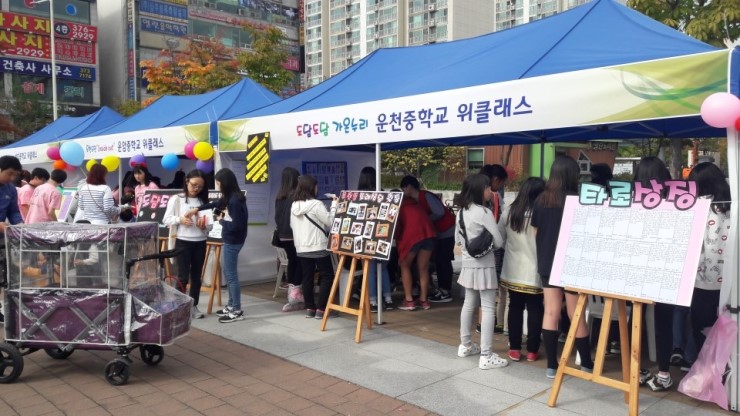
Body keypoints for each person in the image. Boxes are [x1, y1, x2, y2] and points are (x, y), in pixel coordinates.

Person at [532, 155, 593, 379]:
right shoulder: (578, 200)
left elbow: (535, 232)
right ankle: (586, 363)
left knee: (551, 311)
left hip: (547, 262)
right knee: (576, 313)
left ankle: (551, 365)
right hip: (572, 264)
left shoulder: (541, 199)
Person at [630, 156, 675, 391]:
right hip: (666, 269)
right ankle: (664, 374)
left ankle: (635, 370)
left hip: (637, 268)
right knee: (664, 322)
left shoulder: (632, 201)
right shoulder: (675, 202)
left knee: (635, 318)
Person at [455, 173, 506, 370]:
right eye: (487, 188)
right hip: (485, 266)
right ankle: (486, 355)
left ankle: (465, 345)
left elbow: (458, 241)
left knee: (468, 304)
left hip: (468, 265)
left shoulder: (461, 212)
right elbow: (499, 242)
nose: (490, 191)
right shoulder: (484, 213)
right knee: (488, 307)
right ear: (479, 190)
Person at [687, 163, 731, 363]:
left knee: (701, 327)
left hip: (703, 279)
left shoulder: (699, 207)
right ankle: (725, 368)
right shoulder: (732, 205)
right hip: (730, 279)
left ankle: (705, 366)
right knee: (726, 327)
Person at [498, 177, 545, 363]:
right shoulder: (542, 213)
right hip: (535, 270)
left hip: (513, 269)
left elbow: (499, 239)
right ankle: (533, 351)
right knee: (535, 309)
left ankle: (515, 349)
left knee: (515, 307)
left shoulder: (509, 211)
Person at [163, 169, 212, 319]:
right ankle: (179, 307)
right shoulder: (177, 199)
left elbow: (210, 225)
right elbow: (166, 219)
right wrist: (180, 220)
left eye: (200, 186)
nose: (196, 188)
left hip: (200, 241)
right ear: (187, 181)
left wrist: (204, 226)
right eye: (194, 184)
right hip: (182, 241)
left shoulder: (204, 202)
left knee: (197, 276)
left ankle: (193, 306)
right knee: (183, 276)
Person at [399, 175, 456, 304]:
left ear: (409, 186)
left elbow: (440, 212)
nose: (403, 191)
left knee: (443, 260)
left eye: (403, 188)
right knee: (434, 262)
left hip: (446, 230)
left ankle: (445, 290)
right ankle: (438, 290)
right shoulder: (414, 200)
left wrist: (425, 220)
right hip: (433, 233)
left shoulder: (425, 196)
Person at [290, 175, 338, 319]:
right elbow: (330, 221)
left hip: (302, 247)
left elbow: (292, 225)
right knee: (327, 276)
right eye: (316, 186)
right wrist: (334, 204)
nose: (317, 189)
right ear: (311, 188)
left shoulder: (294, 205)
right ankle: (321, 309)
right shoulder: (316, 204)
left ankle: (310, 308)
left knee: (307, 277)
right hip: (318, 245)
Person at [211, 169, 248, 324]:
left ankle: (236, 310)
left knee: (231, 276)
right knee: (229, 273)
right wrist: (197, 209)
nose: (217, 186)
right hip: (233, 240)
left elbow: (237, 226)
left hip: (232, 241)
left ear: (225, 183)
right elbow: (215, 204)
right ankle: (231, 305)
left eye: (218, 183)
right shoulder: (232, 197)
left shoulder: (234, 201)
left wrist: (221, 221)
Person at [395, 184, 436, 311]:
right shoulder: (415, 204)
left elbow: (397, 229)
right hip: (429, 235)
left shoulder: (398, 206)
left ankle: (409, 301)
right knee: (423, 268)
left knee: (404, 265)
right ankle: (424, 300)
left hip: (412, 237)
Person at [358, 167, 394, 312]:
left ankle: (372, 301)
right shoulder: (382, 194)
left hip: (365, 237)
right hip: (383, 236)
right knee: (383, 269)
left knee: (370, 269)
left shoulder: (359, 196)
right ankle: (388, 299)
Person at [479, 164, 509, 334]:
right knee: (491, 288)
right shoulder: (493, 198)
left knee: (478, 291)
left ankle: (481, 323)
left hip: (475, 250)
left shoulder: (471, 201)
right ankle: (487, 324)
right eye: (502, 182)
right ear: (496, 180)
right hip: (491, 247)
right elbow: (499, 224)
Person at [274, 167, 303, 312]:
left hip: (282, 236)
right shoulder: (296, 197)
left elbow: (276, 218)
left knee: (292, 261)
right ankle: (295, 294)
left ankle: (292, 292)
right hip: (295, 235)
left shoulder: (279, 197)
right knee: (301, 263)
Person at [0, 156, 23, 324]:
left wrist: (20, 225)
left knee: (3, 274)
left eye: (15, 175)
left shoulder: (11, 189)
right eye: (9, 173)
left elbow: (13, 212)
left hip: (2, 236)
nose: (12, 177)